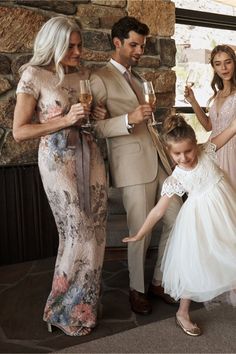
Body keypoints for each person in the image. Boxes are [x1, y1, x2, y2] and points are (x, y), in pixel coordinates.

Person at [13, 16, 108, 337]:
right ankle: (62, 309)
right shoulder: (34, 75)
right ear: (53, 44)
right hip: (57, 160)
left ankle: (85, 306)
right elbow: (19, 131)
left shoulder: (82, 75)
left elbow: (85, 117)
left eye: (80, 45)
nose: (79, 51)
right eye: (71, 46)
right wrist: (65, 119)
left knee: (96, 229)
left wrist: (95, 115)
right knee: (76, 231)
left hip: (90, 154)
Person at [90, 16, 182, 315]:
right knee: (139, 230)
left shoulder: (140, 78)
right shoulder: (99, 79)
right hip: (130, 166)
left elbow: (147, 122)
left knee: (177, 220)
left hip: (159, 162)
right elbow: (96, 128)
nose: (140, 50)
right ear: (117, 42)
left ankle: (158, 280)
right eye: (134, 44)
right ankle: (137, 289)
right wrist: (128, 120)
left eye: (142, 45)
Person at [123, 114, 236, 336]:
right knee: (194, 264)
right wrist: (139, 234)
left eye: (188, 151)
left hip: (226, 213)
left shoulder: (208, 151)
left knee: (231, 252)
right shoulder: (175, 179)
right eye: (177, 153)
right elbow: (157, 211)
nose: (184, 157)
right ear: (168, 151)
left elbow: (232, 128)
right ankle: (183, 312)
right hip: (199, 222)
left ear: (196, 145)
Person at [184, 44, 236, 188]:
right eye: (218, 64)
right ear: (213, 67)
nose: (224, 68)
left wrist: (204, 148)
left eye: (228, 62)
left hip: (231, 151)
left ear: (234, 62)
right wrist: (193, 101)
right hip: (213, 153)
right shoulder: (218, 93)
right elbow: (209, 126)